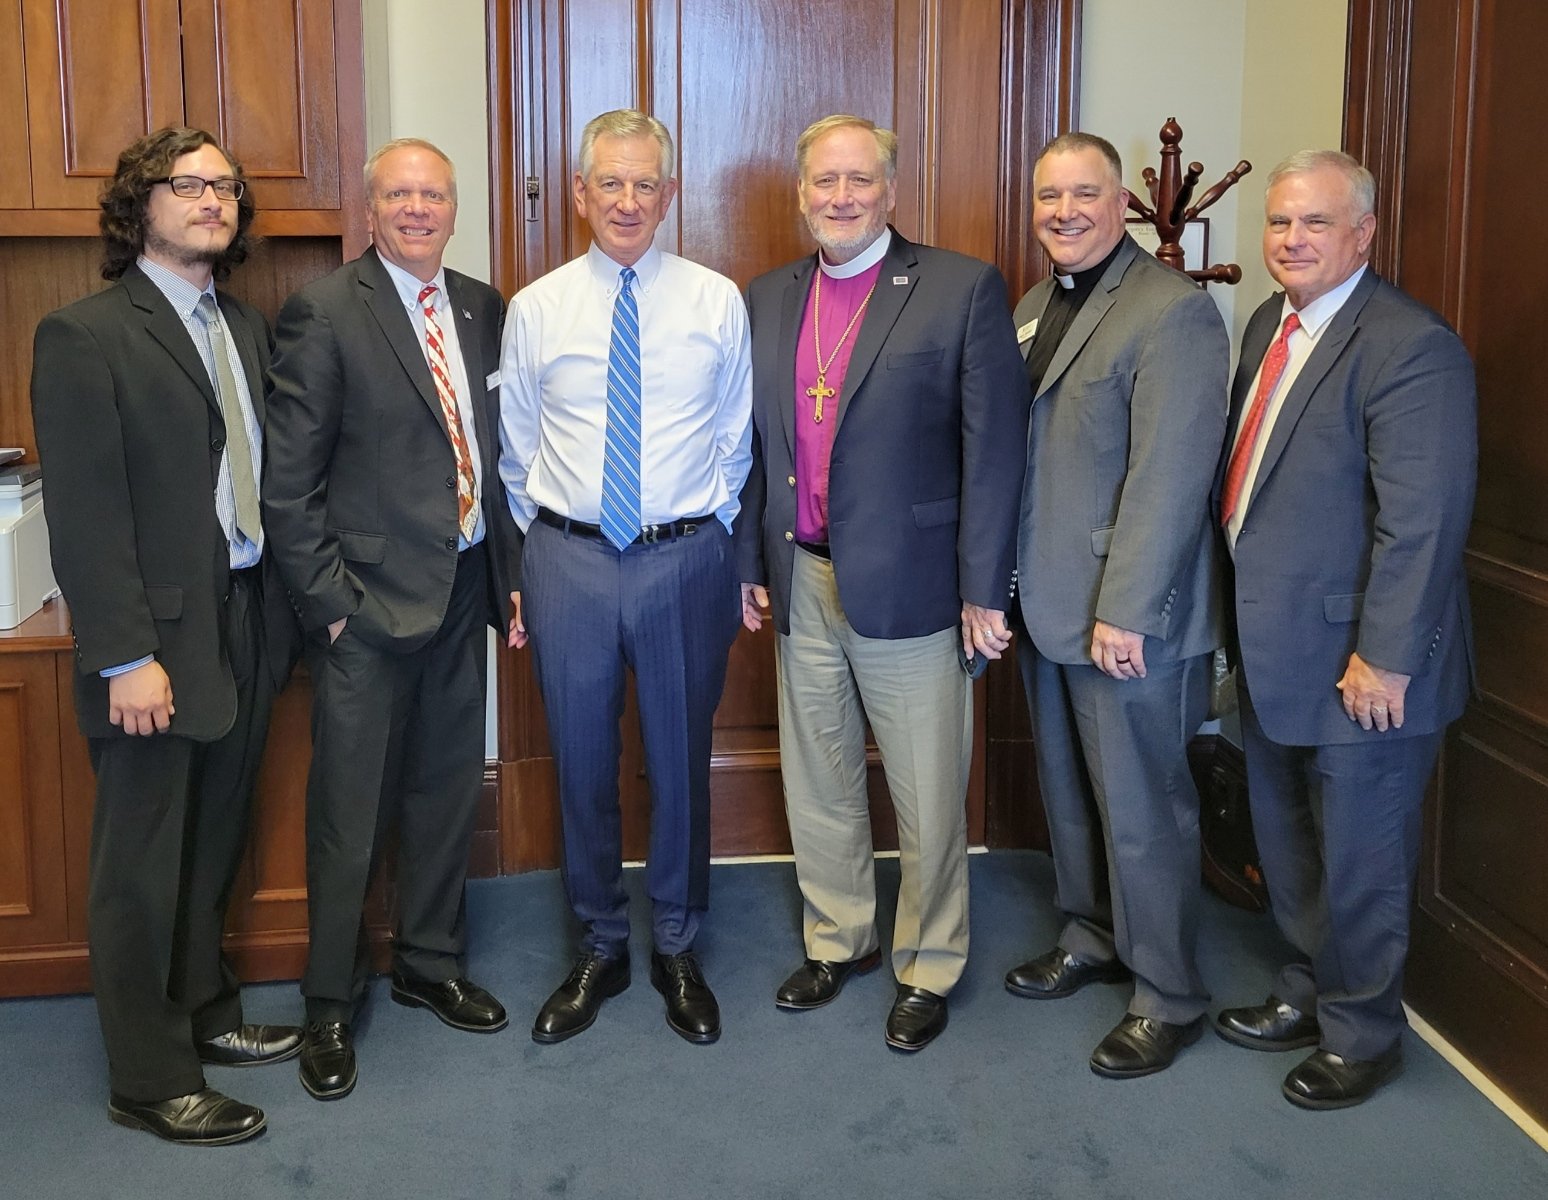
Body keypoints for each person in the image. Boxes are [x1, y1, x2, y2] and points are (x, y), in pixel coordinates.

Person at [31, 127, 302, 1145]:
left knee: (211, 845)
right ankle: (148, 1077)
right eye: (187, 185)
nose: (211, 200)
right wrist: (124, 656)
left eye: (226, 186)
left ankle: (207, 1018)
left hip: (242, 619)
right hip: (151, 646)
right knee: (141, 867)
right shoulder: (85, 334)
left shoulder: (242, 324)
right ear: (138, 204)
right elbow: (88, 517)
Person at [735, 115, 1028, 1052]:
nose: (841, 198)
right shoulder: (769, 296)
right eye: (824, 181)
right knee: (818, 779)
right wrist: (755, 564)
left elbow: (996, 455)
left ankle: (928, 963)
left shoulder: (959, 288)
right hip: (803, 577)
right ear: (801, 192)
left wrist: (984, 589)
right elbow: (754, 449)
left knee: (928, 789)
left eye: (859, 180)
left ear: (891, 191)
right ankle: (840, 937)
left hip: (915, 587)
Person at [1212, 150, 1476, 1110]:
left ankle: (1363, 1033)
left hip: (1364, 667)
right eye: (1280, 223)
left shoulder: (1411, 345)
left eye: (1314, 224)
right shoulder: (1266, 328)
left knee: (1360, 856)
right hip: (1277, 651)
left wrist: (1386, 657)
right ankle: (1307, 991)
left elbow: (1425, 520)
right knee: (1289, 843)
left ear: (1364, 233)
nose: (1291, 240)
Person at [264, 138, 521, 1100]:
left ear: (455, 209)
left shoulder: (481, 306)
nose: (418, 209)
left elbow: (493, 458)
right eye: (399, 195)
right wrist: (332, 611)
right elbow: (286, 490)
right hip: (365, 610)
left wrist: (506, 582)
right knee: (349, 811)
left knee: (446, 789)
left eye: (434, 195)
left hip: (461, 590)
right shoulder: (326, 311)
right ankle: (329, 1002)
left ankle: (427, 960)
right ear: (370, 210)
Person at [499, 109, 751, 1046]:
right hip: (568, 559)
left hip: (685, 557)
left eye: (647, 184)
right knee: (583, 761)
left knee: (679, 757)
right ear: (580, 193)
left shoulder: (714, 300)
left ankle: (678, 943)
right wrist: (550, 543)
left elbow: (735, 435)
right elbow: (517, 447)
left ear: (670, 193)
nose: (629, 201)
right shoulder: (538, 308)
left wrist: (704, 529)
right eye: (611, 182)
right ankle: (600, 942)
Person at [1005, 132, 1229, 1078]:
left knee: (1143, 810)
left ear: (1119, 204)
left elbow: (1170, 480)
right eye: (1050, 196)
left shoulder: (1172, 313)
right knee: (1073, 796)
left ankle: (1169, 993)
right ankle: (1092, 936)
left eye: (1084, 194)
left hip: (1125, 615)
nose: (1065, 212)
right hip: (1047, 602)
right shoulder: (1033, 302)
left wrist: (1127, 609)